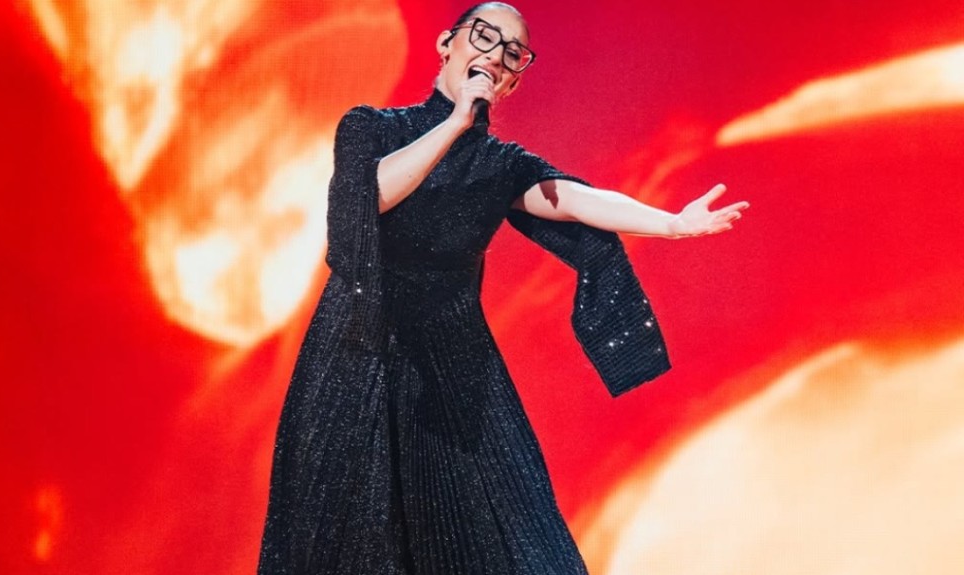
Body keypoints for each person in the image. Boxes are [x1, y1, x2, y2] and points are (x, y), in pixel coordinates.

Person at [257, 3, 748, 574]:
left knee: (520, 533)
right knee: (351, 537)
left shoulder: (502, 166)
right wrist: (454, 124)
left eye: (513, 52)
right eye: (484, 36)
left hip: (458, 366)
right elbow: (366, 198)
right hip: (360, 351)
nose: (496, 54)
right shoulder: (370, 128)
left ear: (512, 82)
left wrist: (671, 224)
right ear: (446, 44)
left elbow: (573, 199)